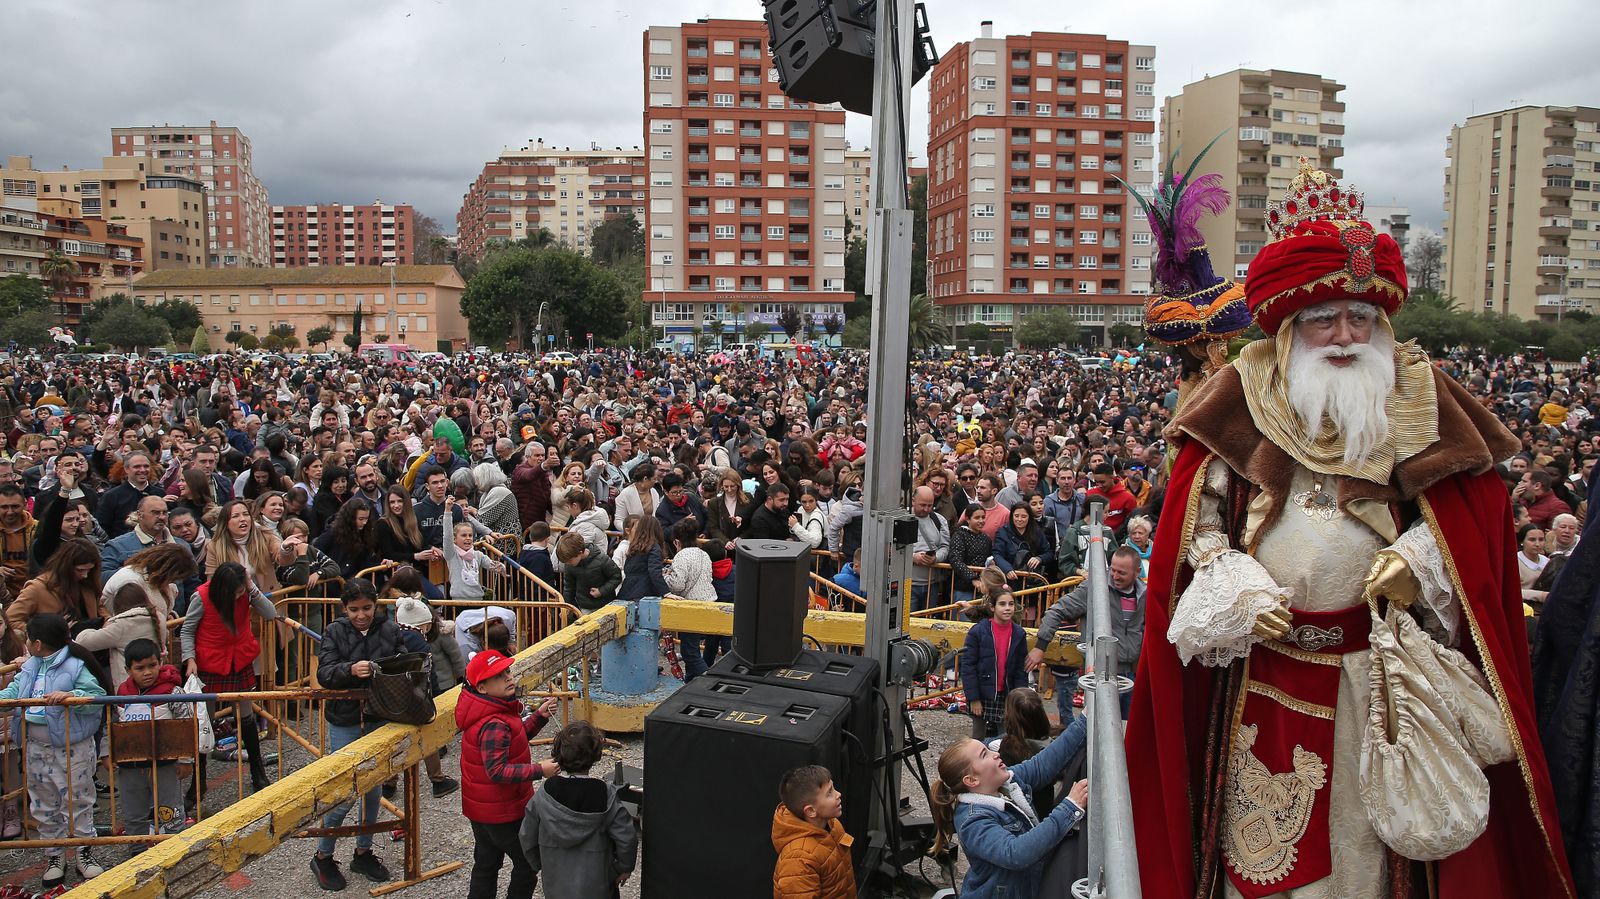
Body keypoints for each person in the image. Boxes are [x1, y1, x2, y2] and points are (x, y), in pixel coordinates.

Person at [1127, 161, 1571, 897]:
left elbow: (1478, 513)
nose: (1343, 334)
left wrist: (1423, 557)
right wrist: (1231, 578)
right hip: (1265, 680)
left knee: (1368, 866)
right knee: (1267, 871)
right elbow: (1195, 526)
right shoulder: (1240, 395)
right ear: (1293, 324)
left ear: (1383, 321)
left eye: (1360, 317)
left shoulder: (1422, 396)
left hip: (1379, 684)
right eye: (1325, 317)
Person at [309, 578, 422, 890]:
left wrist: (386, 667)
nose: (361, 615)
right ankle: (323, 855)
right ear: (345, 609)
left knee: (372, 790)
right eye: (354, 609)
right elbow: (324, 673)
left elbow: (404, 661)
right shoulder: (334, 630)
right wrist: (350, 670)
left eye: (367, 608)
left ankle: (363, 850)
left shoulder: (389, 628)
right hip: (345, 719)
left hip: (378, 714)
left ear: (376, 605)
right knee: (344, 791)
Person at [0, 614, 111, 886]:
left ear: (37, 643)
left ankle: (84, 853)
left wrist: (73, 698)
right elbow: (14, 691)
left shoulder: (75, 666)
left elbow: (96, 697)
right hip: (36, 748)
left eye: (27, 637)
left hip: (72, 749)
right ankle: (55, 856)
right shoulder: (30, 667)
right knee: (43, 803)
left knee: (78, 800)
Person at [929, 715, 1088, 899]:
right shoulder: (973, 820)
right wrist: (1069, 809)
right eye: (984, 755)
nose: (995, 753)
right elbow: (1015, 853)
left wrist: (1084, 719)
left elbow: (1043, 765)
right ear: (972, 780)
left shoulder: (1004, 784)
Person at [456, 649, 559, 899]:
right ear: (482, 688)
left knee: (486, 863)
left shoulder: (487, 711)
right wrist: (539, 770)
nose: (509, 678)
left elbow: (513, 739)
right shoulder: (494, 722)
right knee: (527, 863)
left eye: (507, 672)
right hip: (502, 812)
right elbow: (497, 771)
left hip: (481, 810)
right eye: (499, 676)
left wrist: (538, 717)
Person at [180, 561, 289, 793]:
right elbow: (188, 630)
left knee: (247, 716)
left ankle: (257, 772)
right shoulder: (201, 597)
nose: (239, 595)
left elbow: (270, 613)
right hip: (210, 662)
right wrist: (189, 659)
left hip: (239, 659)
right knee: (204, 722)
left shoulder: (246, 593)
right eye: (237, 591)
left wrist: (250, 587)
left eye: (241, 590)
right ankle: (198, 782)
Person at [518, 720, 638, 898]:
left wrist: (539, 864)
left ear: (559, 755)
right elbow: (626, 837)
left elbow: (526, 835)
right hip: (598, 885)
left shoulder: (544, 794)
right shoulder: (606, 795)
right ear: (596, 755)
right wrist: (623, 868)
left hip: (556, 883)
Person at [1029, 547, 1144, 720]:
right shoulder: (1094, 588)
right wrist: (1041, 646)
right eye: (1112, 570)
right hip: (1103, 674)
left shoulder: (1144, 595)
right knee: (1096, 728)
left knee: (1127, 729)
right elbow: (1056, 611)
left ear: (1137, 572)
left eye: (1122, 572)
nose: (1115, 576)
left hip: (1133, 675)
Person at [112, 637, 187, 838]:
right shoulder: (120, 694)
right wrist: (107, 754)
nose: (147, 672)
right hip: (130, 766)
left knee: (171, 811)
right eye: (140, 668)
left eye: (152, 665)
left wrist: (187, 759)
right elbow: (110, 726)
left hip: (165, 764)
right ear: (128, 670)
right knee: (134, 814)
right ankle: (136, 852)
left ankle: (177, 848)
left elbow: (186, 725)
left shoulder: (173, 692)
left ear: (160, 663)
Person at [771, 764, 856, 899]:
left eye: (833, 788)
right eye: (829, 793)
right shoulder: (797, 861)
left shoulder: (832, 824)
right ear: (810, 811)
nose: (838, 794)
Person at [6, 537, 103, 645]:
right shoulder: (37, 588)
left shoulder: (87, 584)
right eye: (80, 570)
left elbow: (101, 607)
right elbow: (10, 620)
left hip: (89, 645)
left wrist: (107, 622)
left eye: (89, 570)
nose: (85, 575)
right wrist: (46, 631)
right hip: (54, 650)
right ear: (65, 566)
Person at [960, 590, 1028, 738]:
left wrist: (1017, 699)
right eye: (1002, 604)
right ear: (992, 607)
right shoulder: (978, 631)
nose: (1008, 608)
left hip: (1007, 693)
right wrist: (974, 698)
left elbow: (1020, 670)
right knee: (978, 735)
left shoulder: (1019, 633)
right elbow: (968, 666)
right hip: (982, 692)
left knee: (1006, 736)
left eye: (1011, 604)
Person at [664, 516, 715, 681]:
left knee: (689, 652)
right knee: (698, 648)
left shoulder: (681, 556)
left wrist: (665, 577)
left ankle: (710, 680)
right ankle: (691, 680)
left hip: (691, 607)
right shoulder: (704, 554)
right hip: (709, 603)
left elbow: (677, 585)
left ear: (677, 542)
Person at [312, 498, 381, 581]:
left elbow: (364, 561)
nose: (364, 522)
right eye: (361, 519)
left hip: (352, 580)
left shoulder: (364, 534)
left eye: (366, 519)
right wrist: (321, 572)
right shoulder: (331, 533)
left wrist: (380, 565)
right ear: (350, 518)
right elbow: (315, 552)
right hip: (333, 581)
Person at [556, 532, 623, 612]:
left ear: (580, 553)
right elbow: (569, 587)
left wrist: (601, 591)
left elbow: (616, 576)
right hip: (585, 606)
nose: (568, 564)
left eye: (570, 561)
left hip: (605, 605)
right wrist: (567, 606)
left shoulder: (601, 560)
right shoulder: (570, 566)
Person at [616, 515, 669, 603]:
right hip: (644, 594)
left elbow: (627, 569)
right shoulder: (654, 547)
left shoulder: (634, 546)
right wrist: (666, 592)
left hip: (626, 591)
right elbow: (654, 571)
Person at [949, 506, 995, 605]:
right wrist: (972, 578)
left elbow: (989, 558)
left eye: (983, 517)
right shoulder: (959, 535)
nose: (981, 520)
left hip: (982, 588)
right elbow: (955, 559)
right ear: (968, 519)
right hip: (963, 587)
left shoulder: (986, 538)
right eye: (977, 518)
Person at [518, 521, 555, 586]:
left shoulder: (523, 552)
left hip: (524, 592)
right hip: (542, 594)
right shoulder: (542, 557)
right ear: (547, 540)